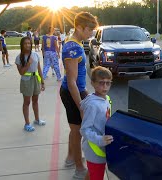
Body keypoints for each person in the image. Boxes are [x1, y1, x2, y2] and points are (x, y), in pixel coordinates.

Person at [60, 11, 98, 179]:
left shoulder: (75, 42)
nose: (92, 33)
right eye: (89, 29)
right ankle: (79, 168)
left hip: (77, 90)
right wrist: (81, 105)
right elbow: (71, 82)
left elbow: (78, 80)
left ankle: (70, 157)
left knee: (74, 129)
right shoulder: (73, 47)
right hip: (71, 92)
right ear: (79, 27)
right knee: (77, 131)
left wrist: (86, 94)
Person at [80, 66, 113, 180]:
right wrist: (100, 139)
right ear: (92, 83)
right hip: (94, 149)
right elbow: (84, 129)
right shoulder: (92, 105)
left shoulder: (106, 98)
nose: (105, 86)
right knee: (97, 175)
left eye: (108, 83)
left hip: (102, 146)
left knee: (92, 173)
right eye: (101, 83)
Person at [15, 37, 46, 132]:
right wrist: (28, 64)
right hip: (26, 81)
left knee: (35, 101)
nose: (28, 45)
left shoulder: (35, 55)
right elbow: (21, 72)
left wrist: (42, 81)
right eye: (25, 43)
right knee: (27, 102)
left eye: (29, 43)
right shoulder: (19, 57)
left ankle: (37, 119)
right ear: (22, 45)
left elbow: (39, 69)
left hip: (35, 79)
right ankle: (27, 123)